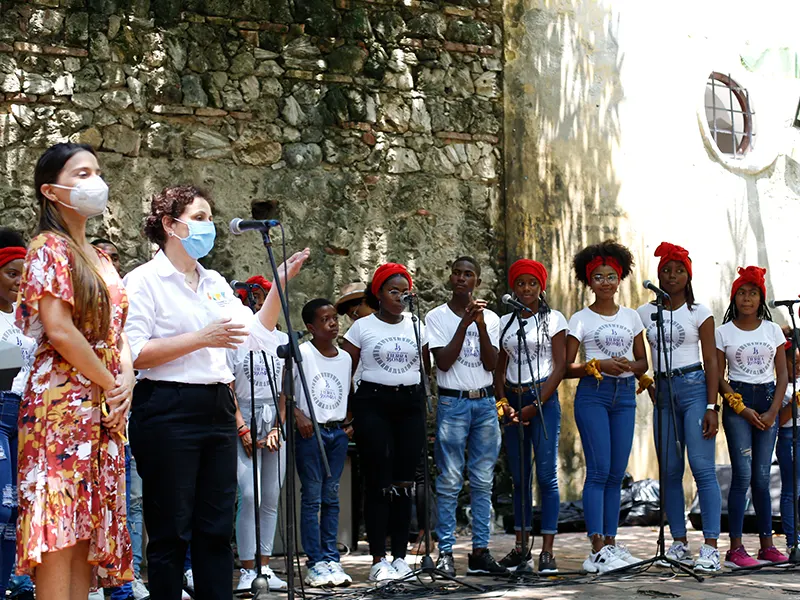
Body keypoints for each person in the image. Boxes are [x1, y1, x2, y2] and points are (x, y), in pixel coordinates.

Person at [123, 183, 309, 599]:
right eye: (200, 218)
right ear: (171, 225)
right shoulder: (142, 282)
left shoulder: (215, 283)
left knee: (216, 527)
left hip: (217, 407)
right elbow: (135, 354)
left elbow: (257, 335)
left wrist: (279, 286)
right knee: (171, 529)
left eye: (210, 218)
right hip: (167, 407)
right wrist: (201, 337)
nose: (210, 227)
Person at [14, 143, 134, 599]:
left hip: (104, 409)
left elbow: (118, 331)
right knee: (57, 529)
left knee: (86, 530)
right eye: (81, 174)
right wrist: (110, 383)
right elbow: (59, 331)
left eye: (96, 172)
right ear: (50, 190)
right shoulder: (48, 247)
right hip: (59, 409)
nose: (94, 182)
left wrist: (126, 382)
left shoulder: (101, 258)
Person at [341, 263, 431, 583]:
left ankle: (401, 557)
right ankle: (378, 557)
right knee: (378, 480)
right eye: (393, 291)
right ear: (378, 294)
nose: (399, 297)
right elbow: (346, 368)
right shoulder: (362, 327)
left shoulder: (416, 324)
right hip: (373, 403)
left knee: (405, 481)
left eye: (404, 291)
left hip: (409, 403)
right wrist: (349, 413)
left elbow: (425, 366)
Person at [636, 242, 722, 573]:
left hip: (695, 389)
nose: (672, 276)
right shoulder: (644, 313)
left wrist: (712, 405)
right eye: (666, 271)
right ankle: (678, 543)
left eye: (679, 271)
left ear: (688, 276)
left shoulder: (699, 312)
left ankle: (711, 547)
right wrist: (646, 381)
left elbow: (712, 360)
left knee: (701, 468)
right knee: (670, 472)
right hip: (663, 392)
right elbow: (634, 353)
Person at [564, 240, 648, 573]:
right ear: (589, 281)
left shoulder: (631, 317)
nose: (606, 282)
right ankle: (596, 548)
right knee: (598, 472)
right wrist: (597, 364)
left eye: (611, 276)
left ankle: (611, 544)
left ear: (620, 278)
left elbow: (643, 363)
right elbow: (566, 366)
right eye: (598, 277)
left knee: (616, 474)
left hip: (625, 395)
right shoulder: (580, 318)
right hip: (593, 395)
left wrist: (629, 365)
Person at [424, 257, 505, 577]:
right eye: (456, 272)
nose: (461, 278)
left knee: (484, 481)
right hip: (453, 404)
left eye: (468, 274)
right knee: (449, 480)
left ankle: (481, 551)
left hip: (485, 403)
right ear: (450, 277)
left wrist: (481, 324)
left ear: (477, 282)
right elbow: (442, 362)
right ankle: (445, 552)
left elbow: (491, 363)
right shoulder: (436, 317)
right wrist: (464, 324)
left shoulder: (493, 318)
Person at [494, 259, 567, 574]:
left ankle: (547, 551)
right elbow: (498, 366)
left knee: (546, 476)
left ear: (541, 287)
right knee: (519, 477)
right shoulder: (505, 322)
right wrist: (503, 403)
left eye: (532, 283)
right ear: (513, 287)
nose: (526, 289)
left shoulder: (554, 319)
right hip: (513, 400)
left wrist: (534, 406)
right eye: (521, 283)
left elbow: (560, 366)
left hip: (543, 401)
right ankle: (521, 547)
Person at [716, 266, 788, 568]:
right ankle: (735, 549)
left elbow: (783, 374)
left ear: (761, 299)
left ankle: (766, 546)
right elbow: (718, 377)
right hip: (738, 402)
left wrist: (773, 412)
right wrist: (739, 407)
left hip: (768, 398)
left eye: (753, 293)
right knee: (742, 476)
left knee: (761, 478)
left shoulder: (772, 330)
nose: (747, 299)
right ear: (734, 298)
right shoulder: (724, 331)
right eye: (742, 293)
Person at [88, 238, 148, 600]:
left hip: (118, 417)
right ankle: (90, 581)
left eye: (113, 260)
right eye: (103, 258)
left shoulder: (120, 311)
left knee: (124, 501)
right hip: (81, 412)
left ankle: (125, 577)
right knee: (85, 502)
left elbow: (124, 342)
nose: (109, 263)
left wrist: (124, 389)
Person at [230, 275, 289, 592]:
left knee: (270, 497)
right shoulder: (238, 337)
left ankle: (266, 567)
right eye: (255, 297)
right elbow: (228, 384)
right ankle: (247, 569)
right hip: (244, 416)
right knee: (249, 496)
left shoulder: (281, 340)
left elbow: (285, 390)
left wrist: (279, 426)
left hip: (273, 420)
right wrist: (241, 426)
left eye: (266, 297)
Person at [295, 299, 354, 587]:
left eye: (334, 318)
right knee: (312, 498)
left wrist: (347, 424)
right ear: (310, 327)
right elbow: (286, 393)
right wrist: (298, 416)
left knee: (331, 498)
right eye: (325, 319)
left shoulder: (345, 358)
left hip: (336, 433)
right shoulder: (301, 354)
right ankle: (315, 561)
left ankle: (332, 558)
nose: (333, 323)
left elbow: (348, 393)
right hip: (310, 433)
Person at [0, 229, 35, 600]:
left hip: (25, 415)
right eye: (11, 273)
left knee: (17, 513)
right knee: (2, 506)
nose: (19, 282)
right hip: (0, 410)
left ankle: (12, 581)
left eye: (23, 275)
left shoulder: (26, 318)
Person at [777, 336, 800, 553]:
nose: (799, 368)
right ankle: (793, 541)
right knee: (792, 490)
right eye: (795, 363)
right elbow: (779, 421)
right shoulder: (781, 388)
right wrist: (793, 402)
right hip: (789, 438)